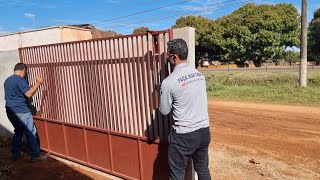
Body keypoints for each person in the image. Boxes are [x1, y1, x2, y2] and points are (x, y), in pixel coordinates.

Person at [159, 39, 211, 180]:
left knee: (177, 175)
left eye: (168, 55)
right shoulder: (199, 76)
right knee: (203, 170)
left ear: (174, 56)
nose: (168, 58)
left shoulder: (168, 82)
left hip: (184, 136)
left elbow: (164, 110)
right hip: (204, 131)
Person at [4, 63, 47, 162]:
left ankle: (15, 154)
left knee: (18, 131)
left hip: (10, 111)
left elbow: (17, 93)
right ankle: (36, 155)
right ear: (23, 70)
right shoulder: (20, 80)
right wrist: (38, 83)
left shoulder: (8, 80)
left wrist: (30, 87)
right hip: (21, 111)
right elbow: (29, 94)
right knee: (31, 132)